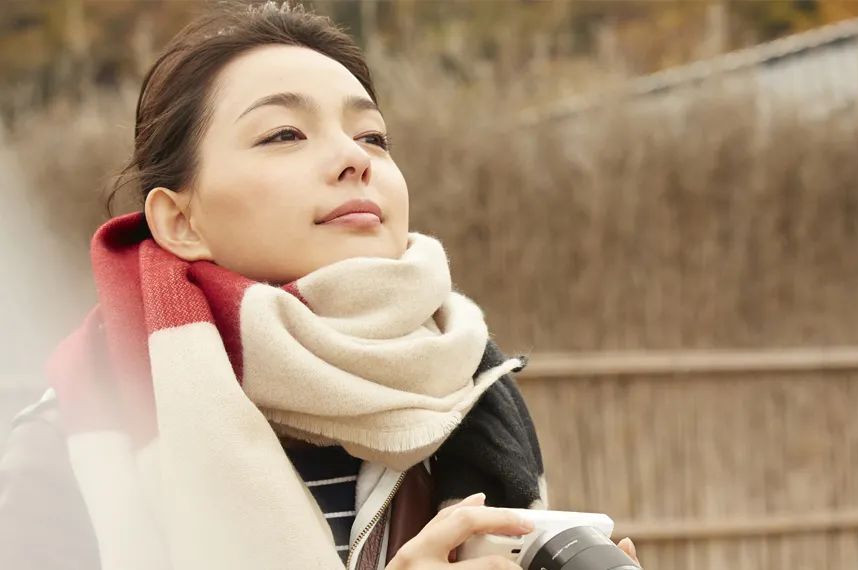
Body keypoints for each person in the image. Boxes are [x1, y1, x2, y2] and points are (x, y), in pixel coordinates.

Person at [0, 2, 641, 570]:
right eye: (284, 133)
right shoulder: (67, 451)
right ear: (180, 221)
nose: (354, 158)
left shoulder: (467, 398)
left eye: (372, 136)